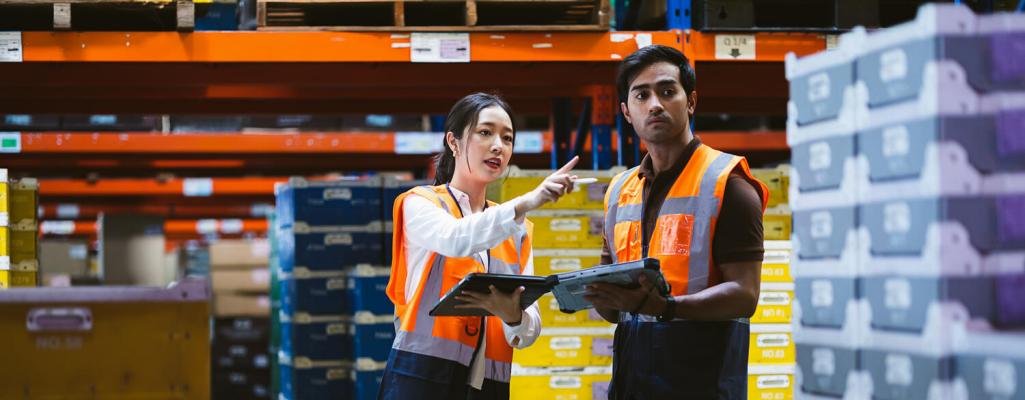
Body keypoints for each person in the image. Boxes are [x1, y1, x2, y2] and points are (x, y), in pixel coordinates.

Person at [584, 45, 769, 399]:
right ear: (626, 111)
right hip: (631, 383)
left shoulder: (728, 183)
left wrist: (665, 307)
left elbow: (746, 295)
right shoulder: (619, 191)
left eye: (667, 91)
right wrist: (595, 294)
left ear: (691, 102)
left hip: (703, 382)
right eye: (642, 95)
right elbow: (612, 308)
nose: (655, 103)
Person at [380, 92, 582, 400]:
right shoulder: (419, 205)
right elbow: (456, 239)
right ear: (454, 141)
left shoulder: (519, 231)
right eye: (485, 132)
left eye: (507, 138)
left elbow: (530, 331)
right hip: (421, 379)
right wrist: (528, 201)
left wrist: (514, 317)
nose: (498, 146)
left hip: (488, 389)